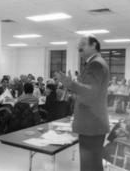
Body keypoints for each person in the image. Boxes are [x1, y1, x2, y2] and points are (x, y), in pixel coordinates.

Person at [56, 36, 110, 171]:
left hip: (91, 124)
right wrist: (73, 86)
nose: (79, 47)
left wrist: (72, 84)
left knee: (89, 166)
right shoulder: (95, 62)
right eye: (78, 44)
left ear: (94, 46)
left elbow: (92, 91)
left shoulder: (96, 64)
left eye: (83, 44)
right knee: (94, 165)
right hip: (93, 122)